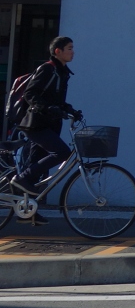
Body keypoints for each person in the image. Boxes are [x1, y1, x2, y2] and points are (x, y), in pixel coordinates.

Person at [12, 36, 77, 224]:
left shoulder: (62, 72)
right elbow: (30, 93)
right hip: (36, 124)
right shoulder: (47, 69)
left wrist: (70, 110)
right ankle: (20, 179)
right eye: (69, 48)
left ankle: (26, 212)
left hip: (49, 124)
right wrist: (46, 108)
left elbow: (56, 100)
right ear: (58, 51)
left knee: (36, 169)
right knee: (62, 152)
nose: (73, 52)